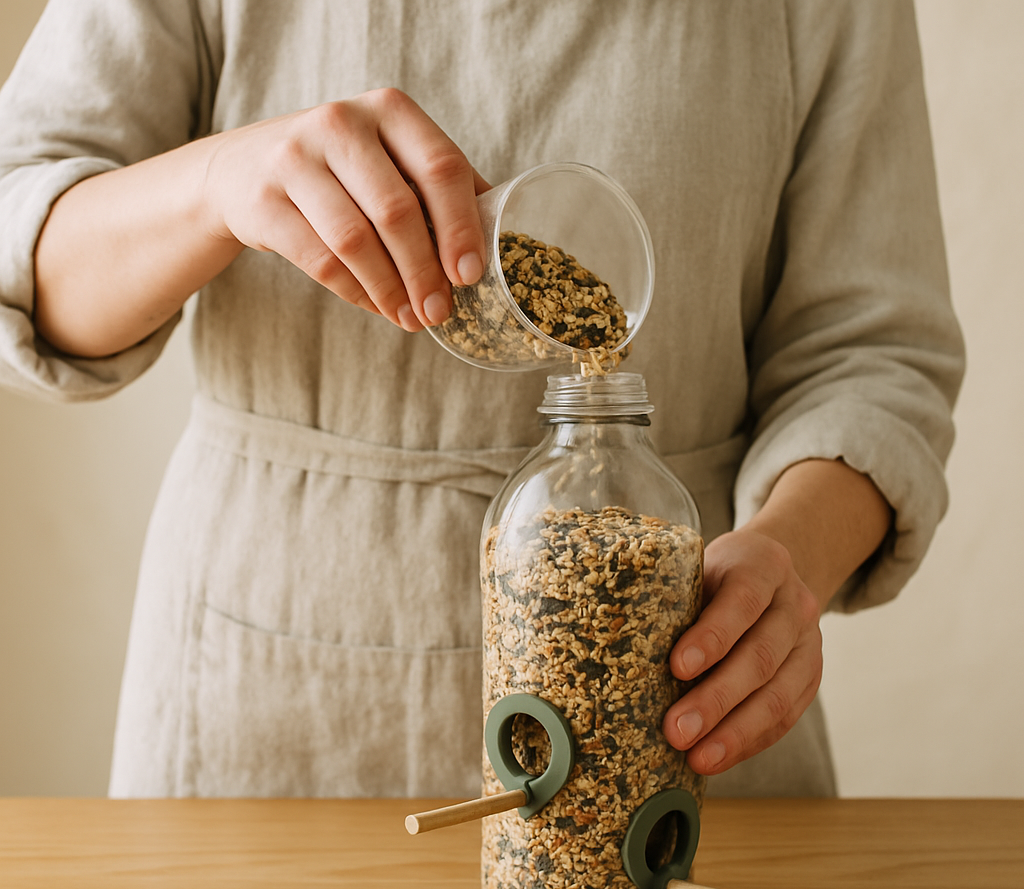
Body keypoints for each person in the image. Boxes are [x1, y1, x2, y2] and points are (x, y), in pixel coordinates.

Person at [0, 0, 963, 798]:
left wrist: (784, 563)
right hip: (266, 705)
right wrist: (216, 182)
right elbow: (27, 261)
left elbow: (872, 354)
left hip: (666, 687)